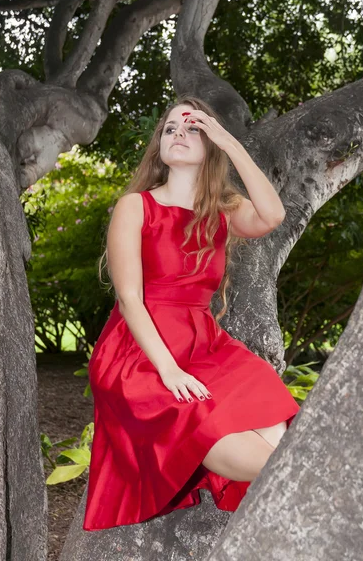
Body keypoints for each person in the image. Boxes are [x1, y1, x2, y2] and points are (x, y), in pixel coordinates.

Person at [82, 95, 300, 531]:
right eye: (170, 129)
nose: (178, 133)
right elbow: (130, 300)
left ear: (210, 145)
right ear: (159, 146)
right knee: (218, 430)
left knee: (277, 424)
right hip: (140, 354)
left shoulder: (221, 209)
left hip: (205, 344)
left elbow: (273, 215)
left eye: (192, 128)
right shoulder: (135, 206)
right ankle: (310, 493)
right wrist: (168, 372)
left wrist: (230, 143)